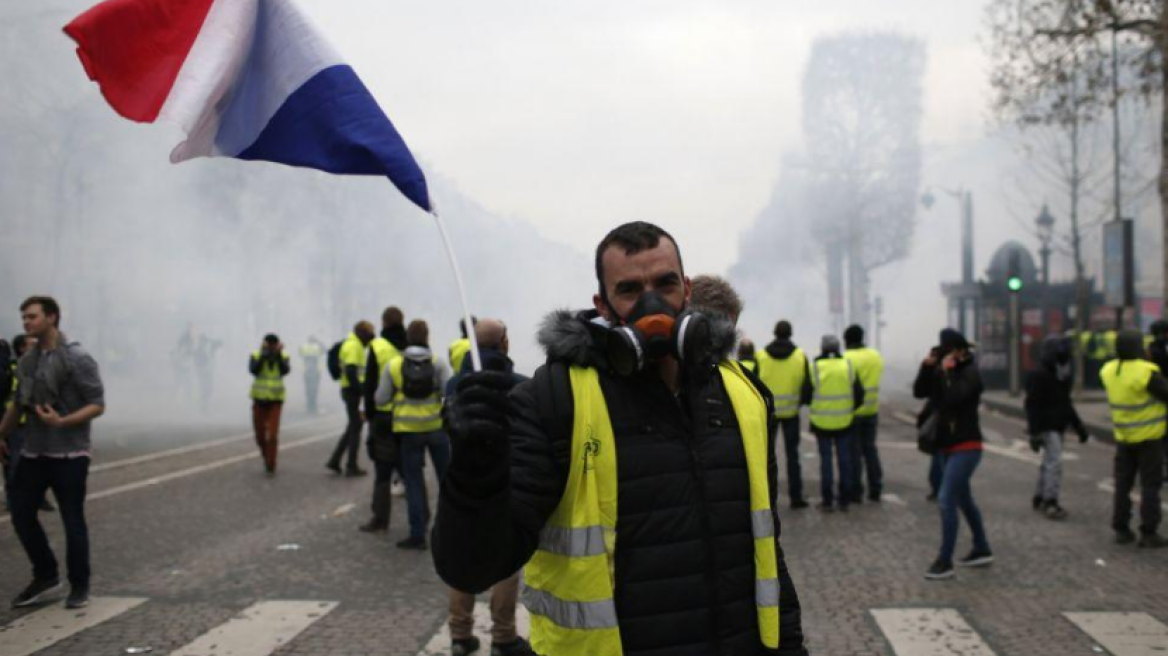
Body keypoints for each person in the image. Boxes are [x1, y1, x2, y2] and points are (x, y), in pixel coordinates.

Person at [433, 221, 807, 656]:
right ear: (603, 305)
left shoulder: (741, 393)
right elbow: (473, 568)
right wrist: (475, 477)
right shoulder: (554, 402)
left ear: (686, 290)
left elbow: (766, 552)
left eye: (665, 283)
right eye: (630, 289)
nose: (652, 302)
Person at [0, 297, 106, 609]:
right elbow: (18, 404)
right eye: (23, 317)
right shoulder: (27, 361)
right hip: (34, 450)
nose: (26, 323)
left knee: (72, 518)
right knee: (20, 513)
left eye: (32, 316)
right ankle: (46, 574)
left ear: (52, 317)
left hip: (70, 453)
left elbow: (97, 404)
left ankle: (79, 584)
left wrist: (62, 421)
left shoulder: (78, 358)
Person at [443, 318, 534, 656]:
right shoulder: (521, 384)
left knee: (463, 555)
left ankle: (459, 634)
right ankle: (504, 636)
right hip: (507, 481)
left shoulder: (455, 385)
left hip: (463, 481)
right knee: (506, 563)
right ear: (505, 343)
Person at [914, 328, 993, 580]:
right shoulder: (943, 369)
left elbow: (954, 399)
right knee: (963, 500)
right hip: (945, 445)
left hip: (967, 445)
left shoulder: (970, 373)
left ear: (960, 352)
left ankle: (944, 561)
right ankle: (981, 548)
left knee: (946, 498)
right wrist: (927, 368)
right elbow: (920, 392)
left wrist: (947, 372)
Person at [376, 319, 451, 550]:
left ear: (408, 337)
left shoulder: (394, 365)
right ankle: (451, 531)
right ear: (427, 336)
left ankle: (417, 534)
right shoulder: (438, 363)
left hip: (408, 433)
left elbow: (380, 399)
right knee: (447, 483)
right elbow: (449, 392)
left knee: (414, 484)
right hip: (436, 429)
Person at [1100, 329, 1168, 547]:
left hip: (1123, 436)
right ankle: (1148, 531)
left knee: (1123, 485)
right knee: (1150, 485)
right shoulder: (1145, 372)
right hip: (1149, 438)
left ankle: (1121, 528)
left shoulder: (1109, 371)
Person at [1024, 335, 1089, 520]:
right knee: (1054, 463)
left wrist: (1078, 426)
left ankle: (1040, 496)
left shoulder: (1059, 374)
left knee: (1048, 462)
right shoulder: (1043, 375)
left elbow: (1065, 403)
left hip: (1055, 424)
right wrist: (1034, 432)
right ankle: (1050, 501)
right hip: (1047, 425)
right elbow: (1032, 405)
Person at [756, 320, 811, 509]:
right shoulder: (800, 357)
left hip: (769, 414)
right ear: (790, 333)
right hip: (792, 413)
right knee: (793, 456)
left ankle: (767, 499)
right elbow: (807, 387)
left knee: (766, 457)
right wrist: (799, 403)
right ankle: (796, 497)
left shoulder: (761, 356)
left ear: (774, 333)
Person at [359, 307, 405, 534]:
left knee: (383, 470)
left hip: (383, 416)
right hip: (407, 416)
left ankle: (380, 518)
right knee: (410, 472)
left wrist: (368, 413)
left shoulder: (377, 347)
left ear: (384, 323)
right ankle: (421, 522)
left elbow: (370, 384)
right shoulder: (411, 345)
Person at [807, 334, 863, 513]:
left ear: (822, 348)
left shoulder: (814, 367)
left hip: (821, 421)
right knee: (845, 460)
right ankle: (845, 499)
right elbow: (859, 394)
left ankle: (827, 500)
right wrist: (848, 408)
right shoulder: (847, 365)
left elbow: (806, 394)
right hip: (845, 421)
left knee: (826, 461)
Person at [843, 324, 884, 504]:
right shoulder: (875, 356)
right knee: (870, 450)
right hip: (872, 409)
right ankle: (876, 487)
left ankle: (856, 491)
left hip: (853, 411)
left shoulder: (846, 358)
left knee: (854, 453)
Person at [327, 321, 374, 477]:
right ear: (362, 333)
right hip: (352, 391)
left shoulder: (353, 344)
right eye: (369, 334)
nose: (371, 338)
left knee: (353, 426)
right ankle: (351, 465)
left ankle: (335, 460)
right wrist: (362, 391)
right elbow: (352, 371)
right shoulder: (353, 346)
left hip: (350, 390)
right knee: (356, 427)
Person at [250, 334, 290, 474]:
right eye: (270, 344)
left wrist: (278, 355)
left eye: (274, 344)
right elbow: (253, 370)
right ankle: (266, 454)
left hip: (275, 400)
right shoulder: (256, 355)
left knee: (272, 435)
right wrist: (264, 355)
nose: (272, 347)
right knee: (260, 435)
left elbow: (285, 370)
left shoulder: (283, 356)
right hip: (259, 399)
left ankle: (271, 463)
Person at [193, 333, 222, 414]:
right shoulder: (198, 350)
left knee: (209, 390)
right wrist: (201, 370)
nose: (204, 343)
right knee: (204, 390)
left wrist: (214, 343)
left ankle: (204, 407)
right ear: (201, 342)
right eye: (203, 341)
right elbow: (197, 363)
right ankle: (203, 408)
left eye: (205, 341)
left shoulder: (207, 349)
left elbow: (218, 344)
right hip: (203, 373)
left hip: (208, 373)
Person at [299, 336, 325, 415]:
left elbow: (299, 352)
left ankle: (309, 406)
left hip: (306, 371)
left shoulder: (304, 347)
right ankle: (313, 406)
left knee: (308, 389)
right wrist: (319, 342)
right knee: (314, 389)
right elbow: (325, 350)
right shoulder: (318, 347)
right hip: (316, 372)